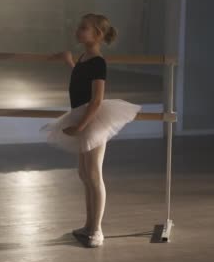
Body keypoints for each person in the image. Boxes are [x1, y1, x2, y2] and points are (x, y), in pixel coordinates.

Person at [42, 14, 141, 248]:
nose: (78, 30)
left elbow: (96, 100)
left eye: (84, 28)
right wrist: (69, 61)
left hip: (92, 120)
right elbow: (79, 78)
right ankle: (88, 225)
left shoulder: (98, 62)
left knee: (94, 175)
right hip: (81, 117)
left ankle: (97, 231)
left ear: (97, 34)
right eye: (79, 27)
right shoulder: (85, 58)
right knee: (84, 174)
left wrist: (80, 126)